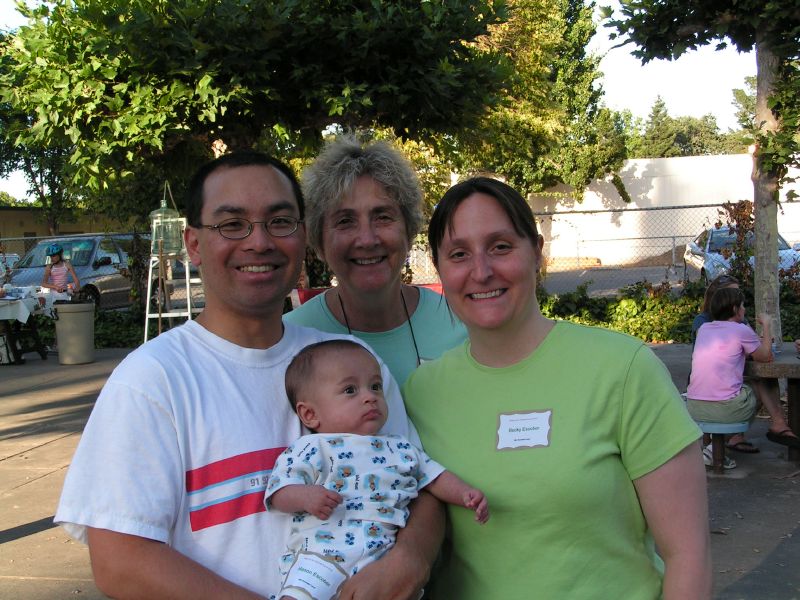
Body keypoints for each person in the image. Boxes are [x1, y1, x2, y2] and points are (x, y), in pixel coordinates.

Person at [55, 152, 443, 599]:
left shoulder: (351, 364)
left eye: (279, 222)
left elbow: (420, 482)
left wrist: (412, 558)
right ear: (193, 243)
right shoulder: (152, 381)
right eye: (232, 224)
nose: (259, 242)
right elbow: (120, 561)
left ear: (302, 235)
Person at [403, 177, 711, 599]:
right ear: (439, 269)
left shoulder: (622, 369)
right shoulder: (420, 394)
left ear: (537, 253)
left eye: (500, 246)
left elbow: (688, 555)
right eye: (459, 254)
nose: (482, 271)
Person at [267, 339, 488, 600]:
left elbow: (434, 477)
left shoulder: (400, 447)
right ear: (310, 414)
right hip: (321, 555)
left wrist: (464, 494)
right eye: (350, 390)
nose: (370, 397)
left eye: (375, 386)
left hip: (380, 558)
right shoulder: (312, 448)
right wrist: (306, 497)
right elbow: (278, 492)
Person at [283, 135, 466, 386]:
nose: (367, 239)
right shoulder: (289, 343)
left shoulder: (463, 324)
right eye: (345, 221)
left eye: (382, 217)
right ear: (318, 241)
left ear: (409, 231)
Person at [686, 286, 800, 461]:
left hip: (694, 407)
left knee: (740, 386)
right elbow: (766, 357)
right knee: (761, 381)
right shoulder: (740, 330)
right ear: (734, 309)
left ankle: (715, 446)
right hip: (725, 409)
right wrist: (767, 325)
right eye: (742, 305)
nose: (744, 309)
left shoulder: (704, 329)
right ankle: (778, 424)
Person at [690, 274, 739, 344]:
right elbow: (708, 346)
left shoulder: (739, 318)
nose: (738, 297)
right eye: (733, 293)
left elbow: (753, 344)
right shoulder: (702, 320)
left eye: (738, 293)